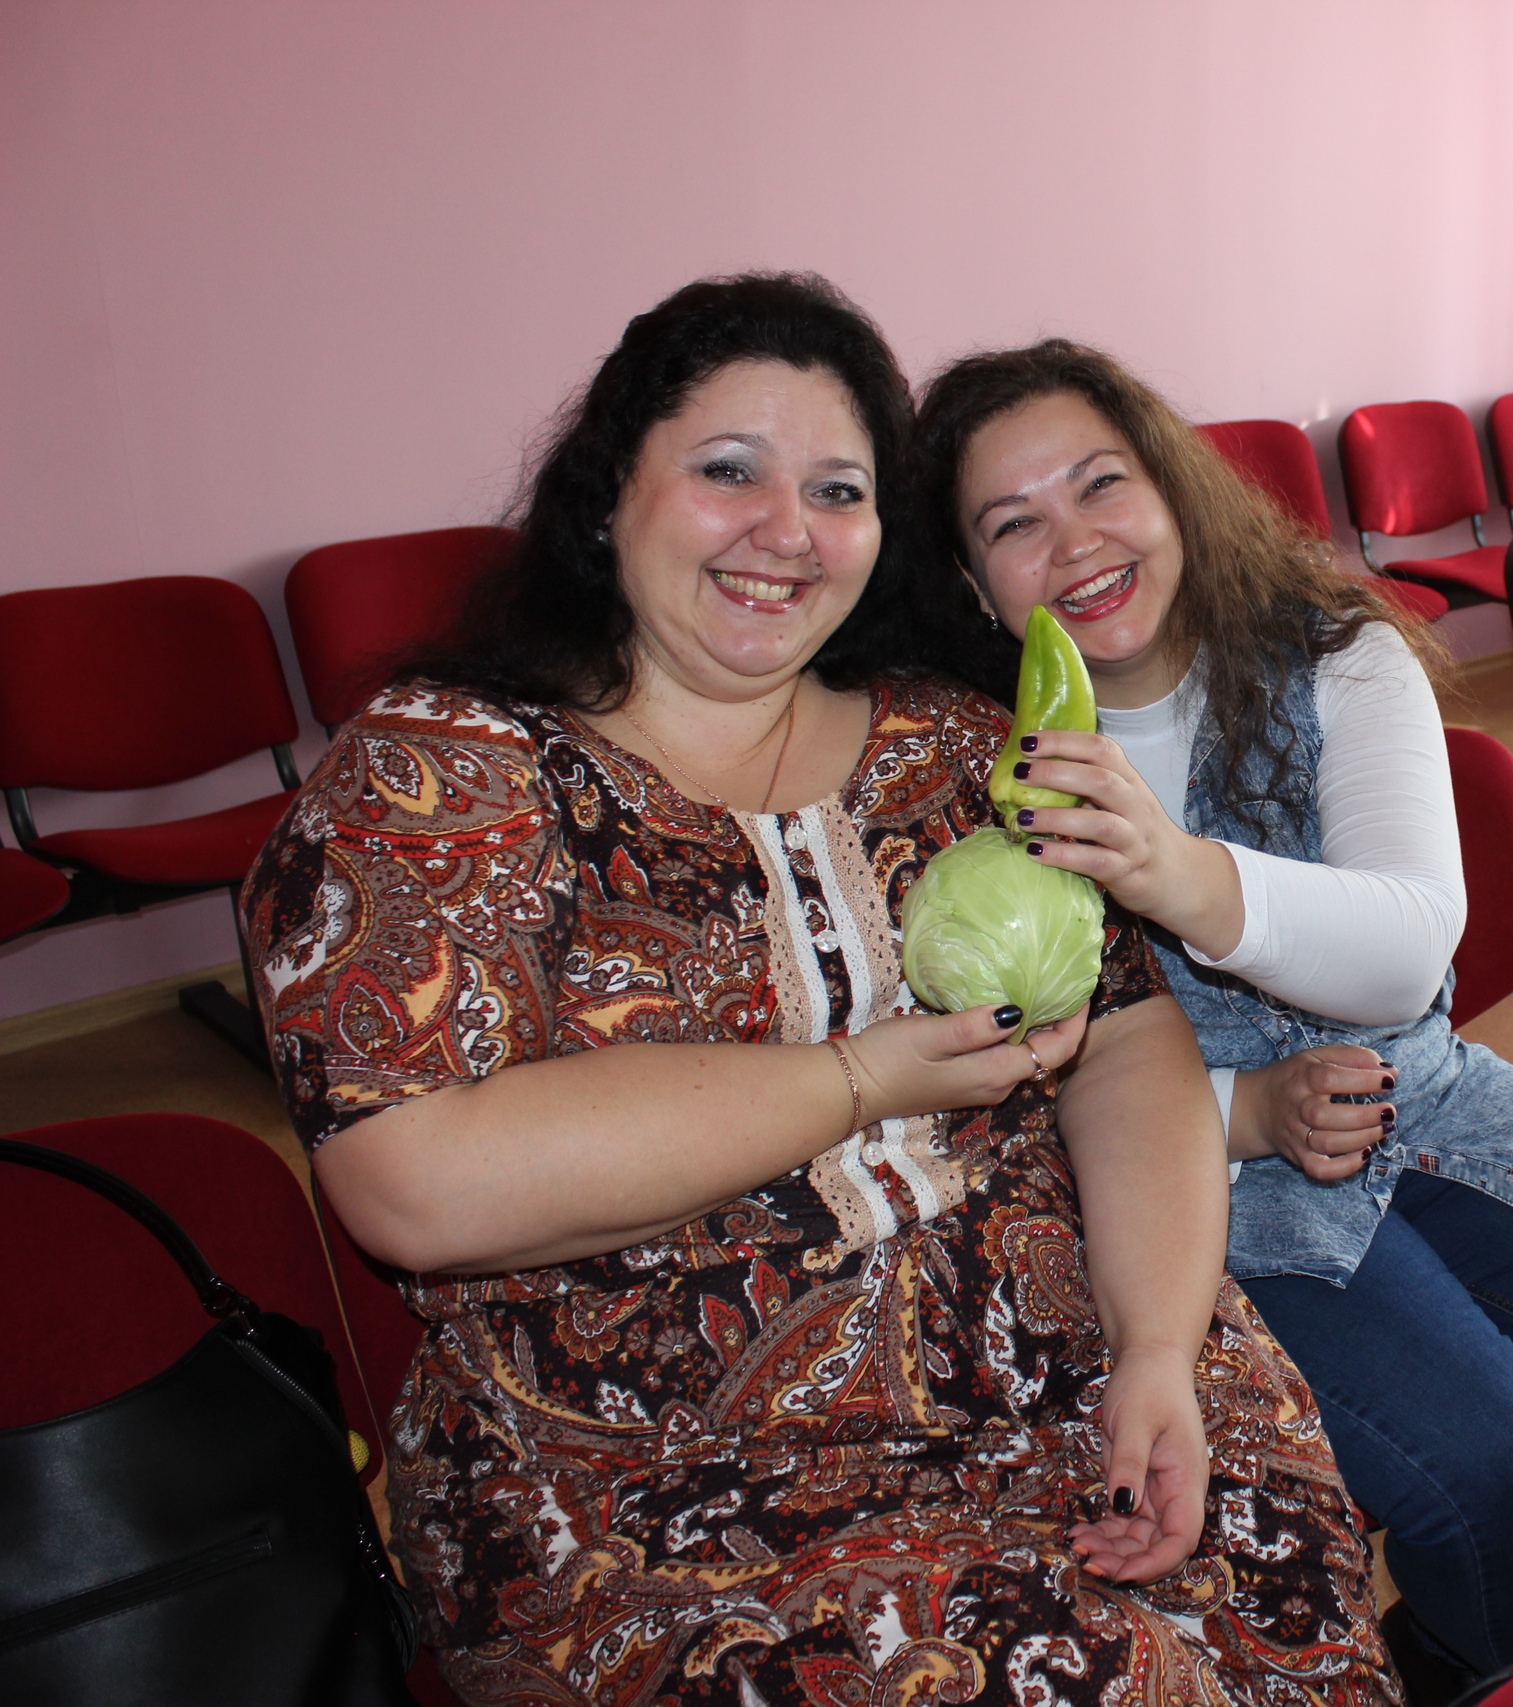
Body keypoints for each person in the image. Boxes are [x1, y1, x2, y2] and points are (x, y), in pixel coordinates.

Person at [241, 277, 1393, 1707]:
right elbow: (414, 1186)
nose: (787, 531)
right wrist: (864, 1078)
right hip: (667, 1478)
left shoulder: (959, 744)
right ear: (608, 498)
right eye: (730, 471)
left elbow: (1127, 1043)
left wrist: (1158, 1347)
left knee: (1287, 1604)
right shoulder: (443, 779)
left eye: (838, 491)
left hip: (1080, 1363)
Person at [914, 341, 1513, 1701]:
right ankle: (1510, 1634)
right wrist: (1246, 1112)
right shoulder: (961, 754)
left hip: (1415, 1083)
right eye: (1012, 524)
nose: (1076, 543)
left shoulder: (1335, 650)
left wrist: (1179, 872)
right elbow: (1003, 1073)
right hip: (1197, 1176)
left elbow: (1406, 952)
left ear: (1173, 487)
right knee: (1509, 1468)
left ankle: (1460, 1644)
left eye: (1102, 484)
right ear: (975, 584)